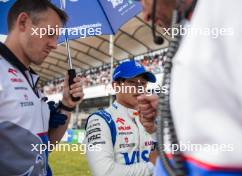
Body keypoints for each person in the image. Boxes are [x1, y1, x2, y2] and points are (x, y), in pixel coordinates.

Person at [139, 0, 242, 175]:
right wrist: (168, 107)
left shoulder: (234, 6)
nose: (145, 15)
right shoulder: (196, 24)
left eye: (144, 1)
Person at [0, 0, 84, 175]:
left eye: (57, 37)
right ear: (23, 22)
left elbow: (44, 148)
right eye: (50, 33)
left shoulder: (29, 79)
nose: (54, 45)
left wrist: (67, 105)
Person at [84, 60, 158, 176]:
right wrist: (152, 166)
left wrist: (154, 133)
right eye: (132, 83)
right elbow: (104, 172)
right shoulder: (100, 120)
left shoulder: (152, 118)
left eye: (143, 84)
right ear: (115, 86)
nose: (139, 88)